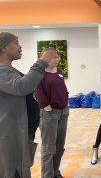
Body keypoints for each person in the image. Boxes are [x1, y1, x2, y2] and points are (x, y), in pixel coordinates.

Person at [0, 32, 58, 178]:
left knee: (22, 167)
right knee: (13, 170)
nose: (20, 47)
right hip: (10, 134)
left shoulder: (8, 70)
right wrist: (41, 62)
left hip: (21, 131)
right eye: (16, 43)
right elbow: (21, 86)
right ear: (3, 48)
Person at [35, 48, 69, 178]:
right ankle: (47, 175)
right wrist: (45, 105)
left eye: (57, 56)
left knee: (60, 146)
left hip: (63, 112)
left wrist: (66, 100)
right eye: (54, 57)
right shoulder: (40, 74)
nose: (57, 59)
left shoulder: (59, 71)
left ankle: (55, 172)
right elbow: (38, 91)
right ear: (46, 58)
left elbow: (62, 88)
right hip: (49, 113)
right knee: (49, 148)